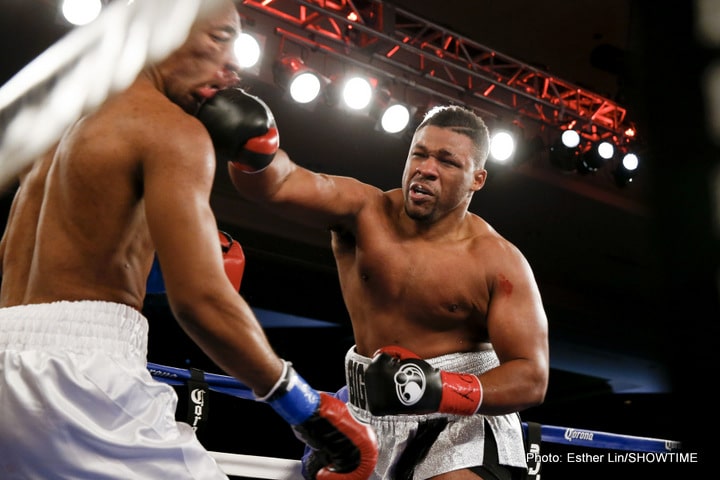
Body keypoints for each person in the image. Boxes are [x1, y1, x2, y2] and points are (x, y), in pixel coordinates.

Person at [0, 2, 377, 479]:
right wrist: (306, 409)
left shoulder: (57, 128)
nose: (235, 63)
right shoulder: (173, 131)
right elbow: (200, 301)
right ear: (162, 33)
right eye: (219, 37)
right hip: (84, 377)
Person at [212, 94, 550, 479]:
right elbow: (276, 185)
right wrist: (249, 145)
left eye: (447, 160)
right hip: (367, 413)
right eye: (418, 154)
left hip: (459, 423)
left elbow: (531, 377)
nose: (426, 169)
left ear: (478, 178)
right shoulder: (363, 212)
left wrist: (436, 390)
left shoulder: (498, 261)